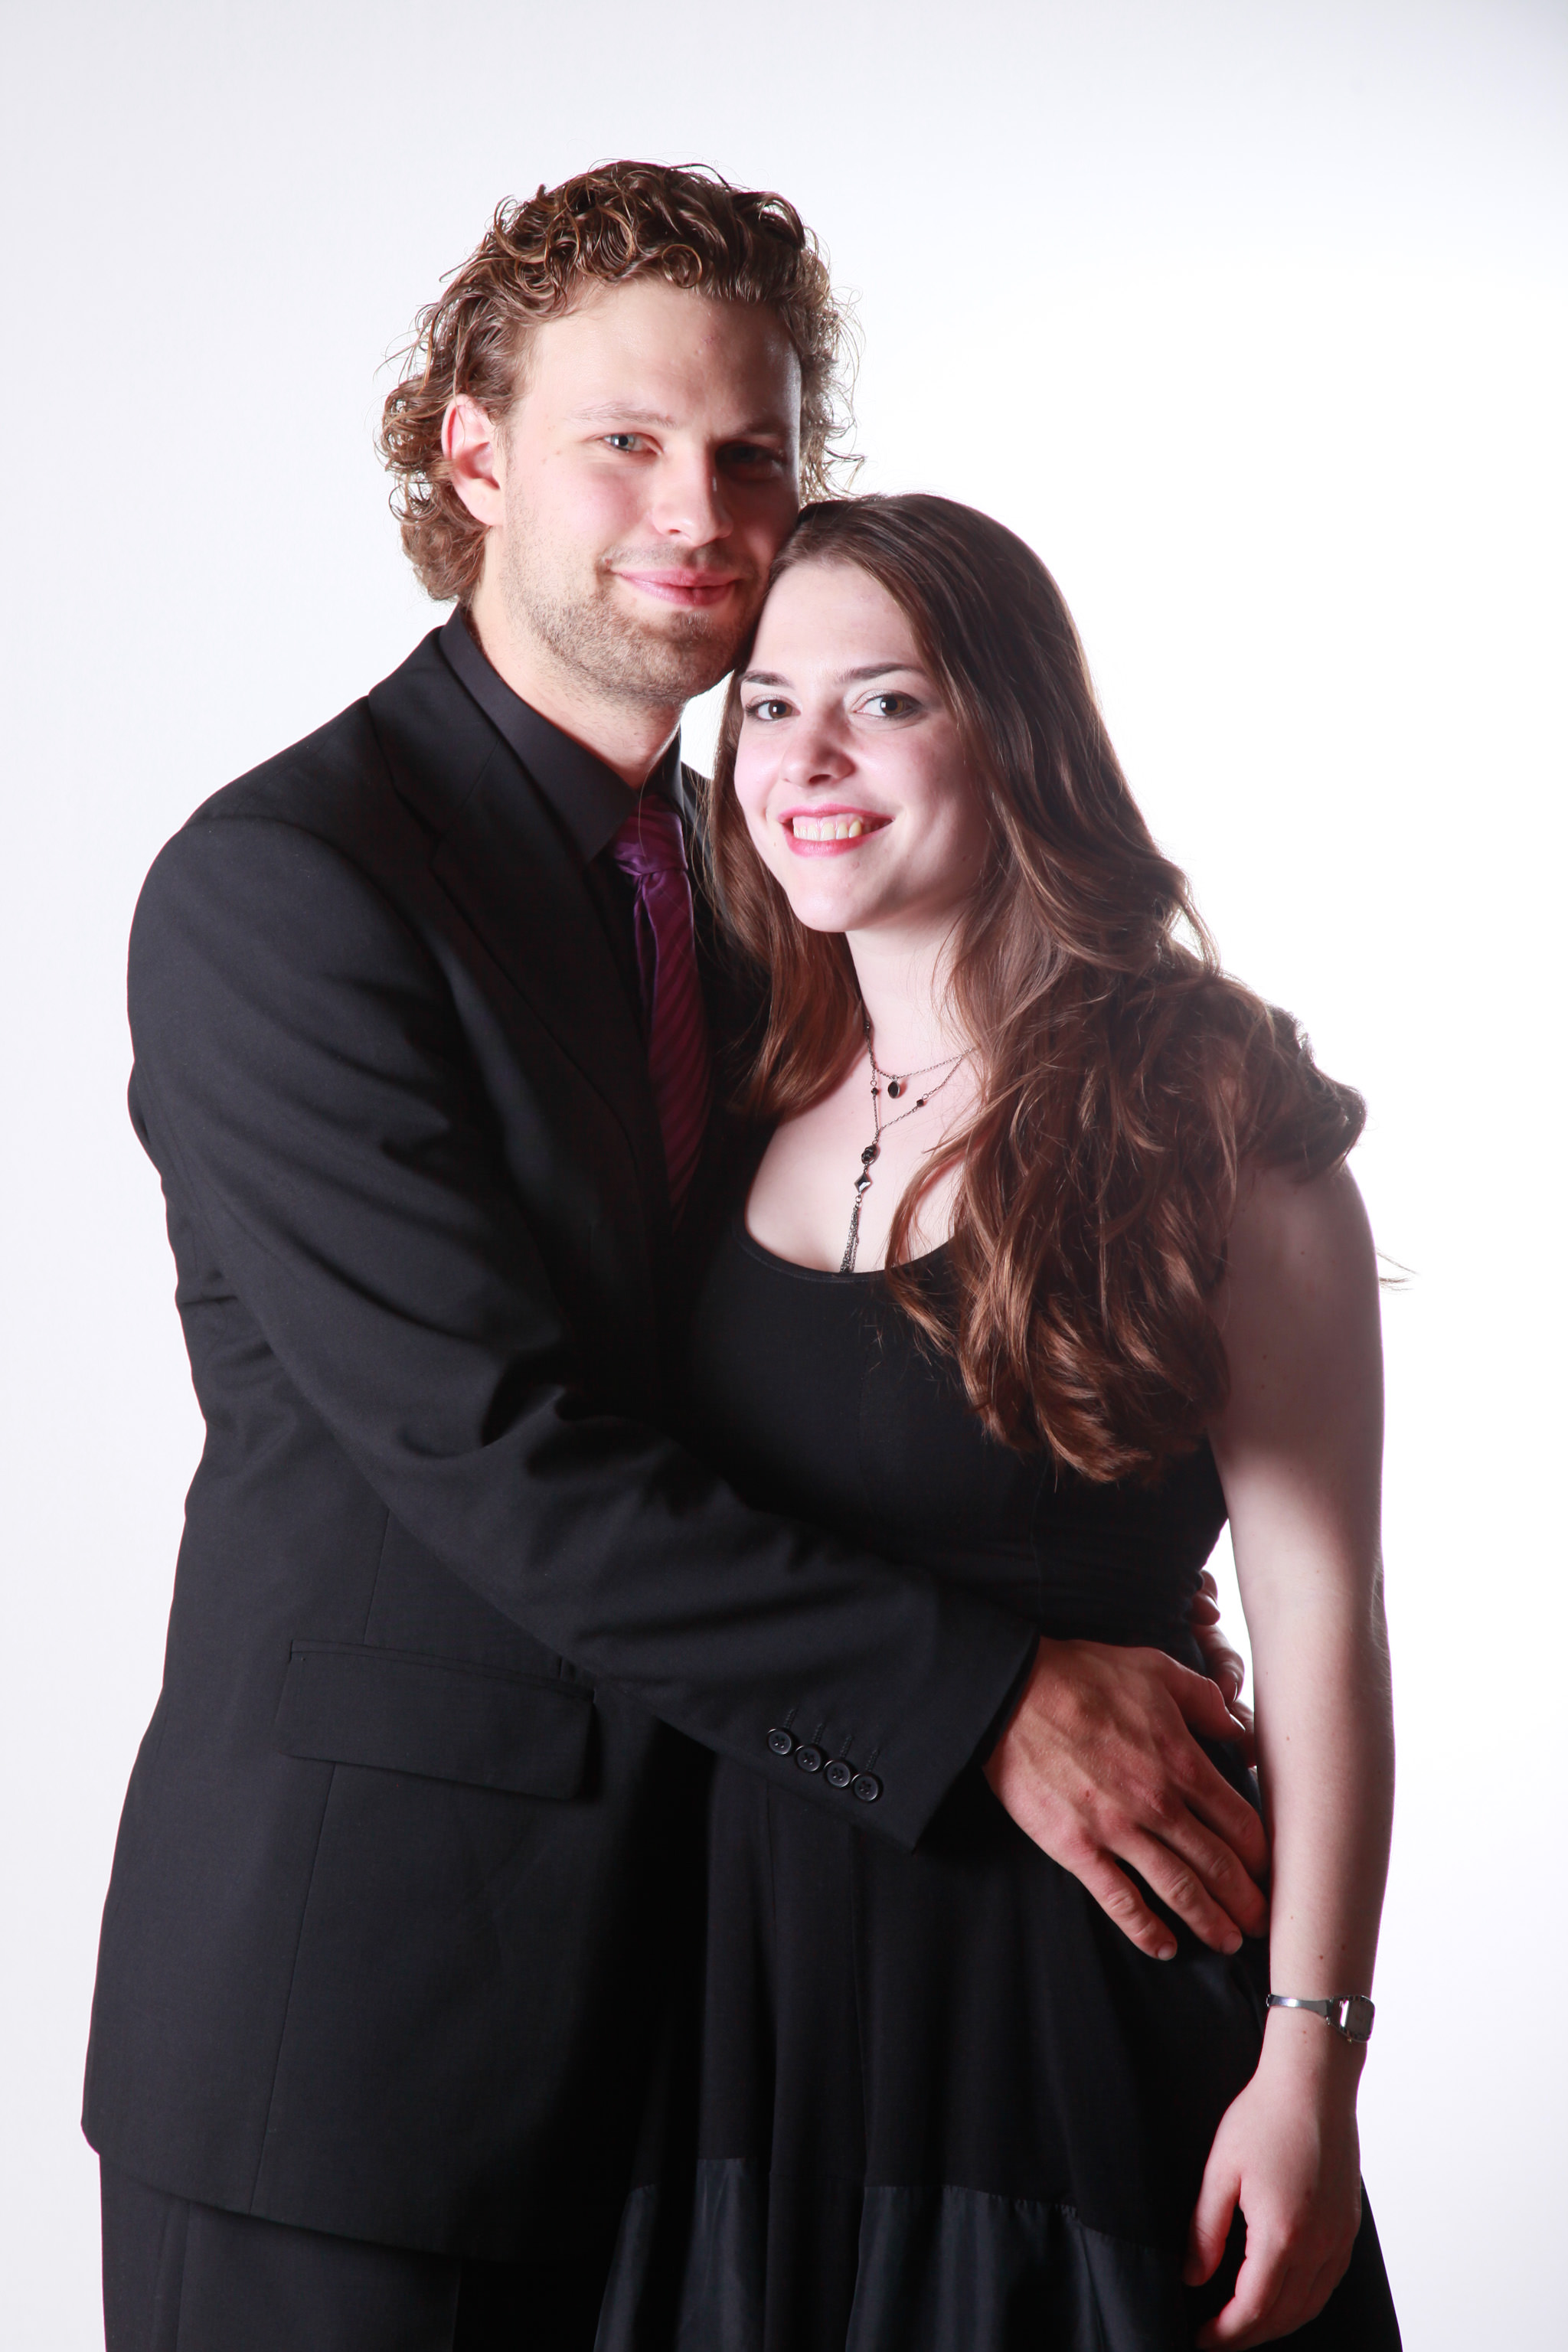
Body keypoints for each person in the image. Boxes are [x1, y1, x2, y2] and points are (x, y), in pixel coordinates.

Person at [84, 168, 1268, 2352]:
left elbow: (814, 1351)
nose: (697, 513)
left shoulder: (762, 897)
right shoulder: (291, 889)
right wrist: (991, 1694)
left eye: (748, 452)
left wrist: (1081, 1565)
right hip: (359, 2037)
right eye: (624, 441)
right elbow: (497, 1448)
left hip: (724, 2054)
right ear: (473, 454)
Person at [617, 495, 1401, 2350]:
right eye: (768, 705)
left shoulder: (1207, 1115)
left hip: (1078, 2017)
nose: (806, 759)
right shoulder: (725, 1090)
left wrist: (1313, 2064)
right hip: (737, 2031)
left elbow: (1322, 1630)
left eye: (883, 701)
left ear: (1016, 736)